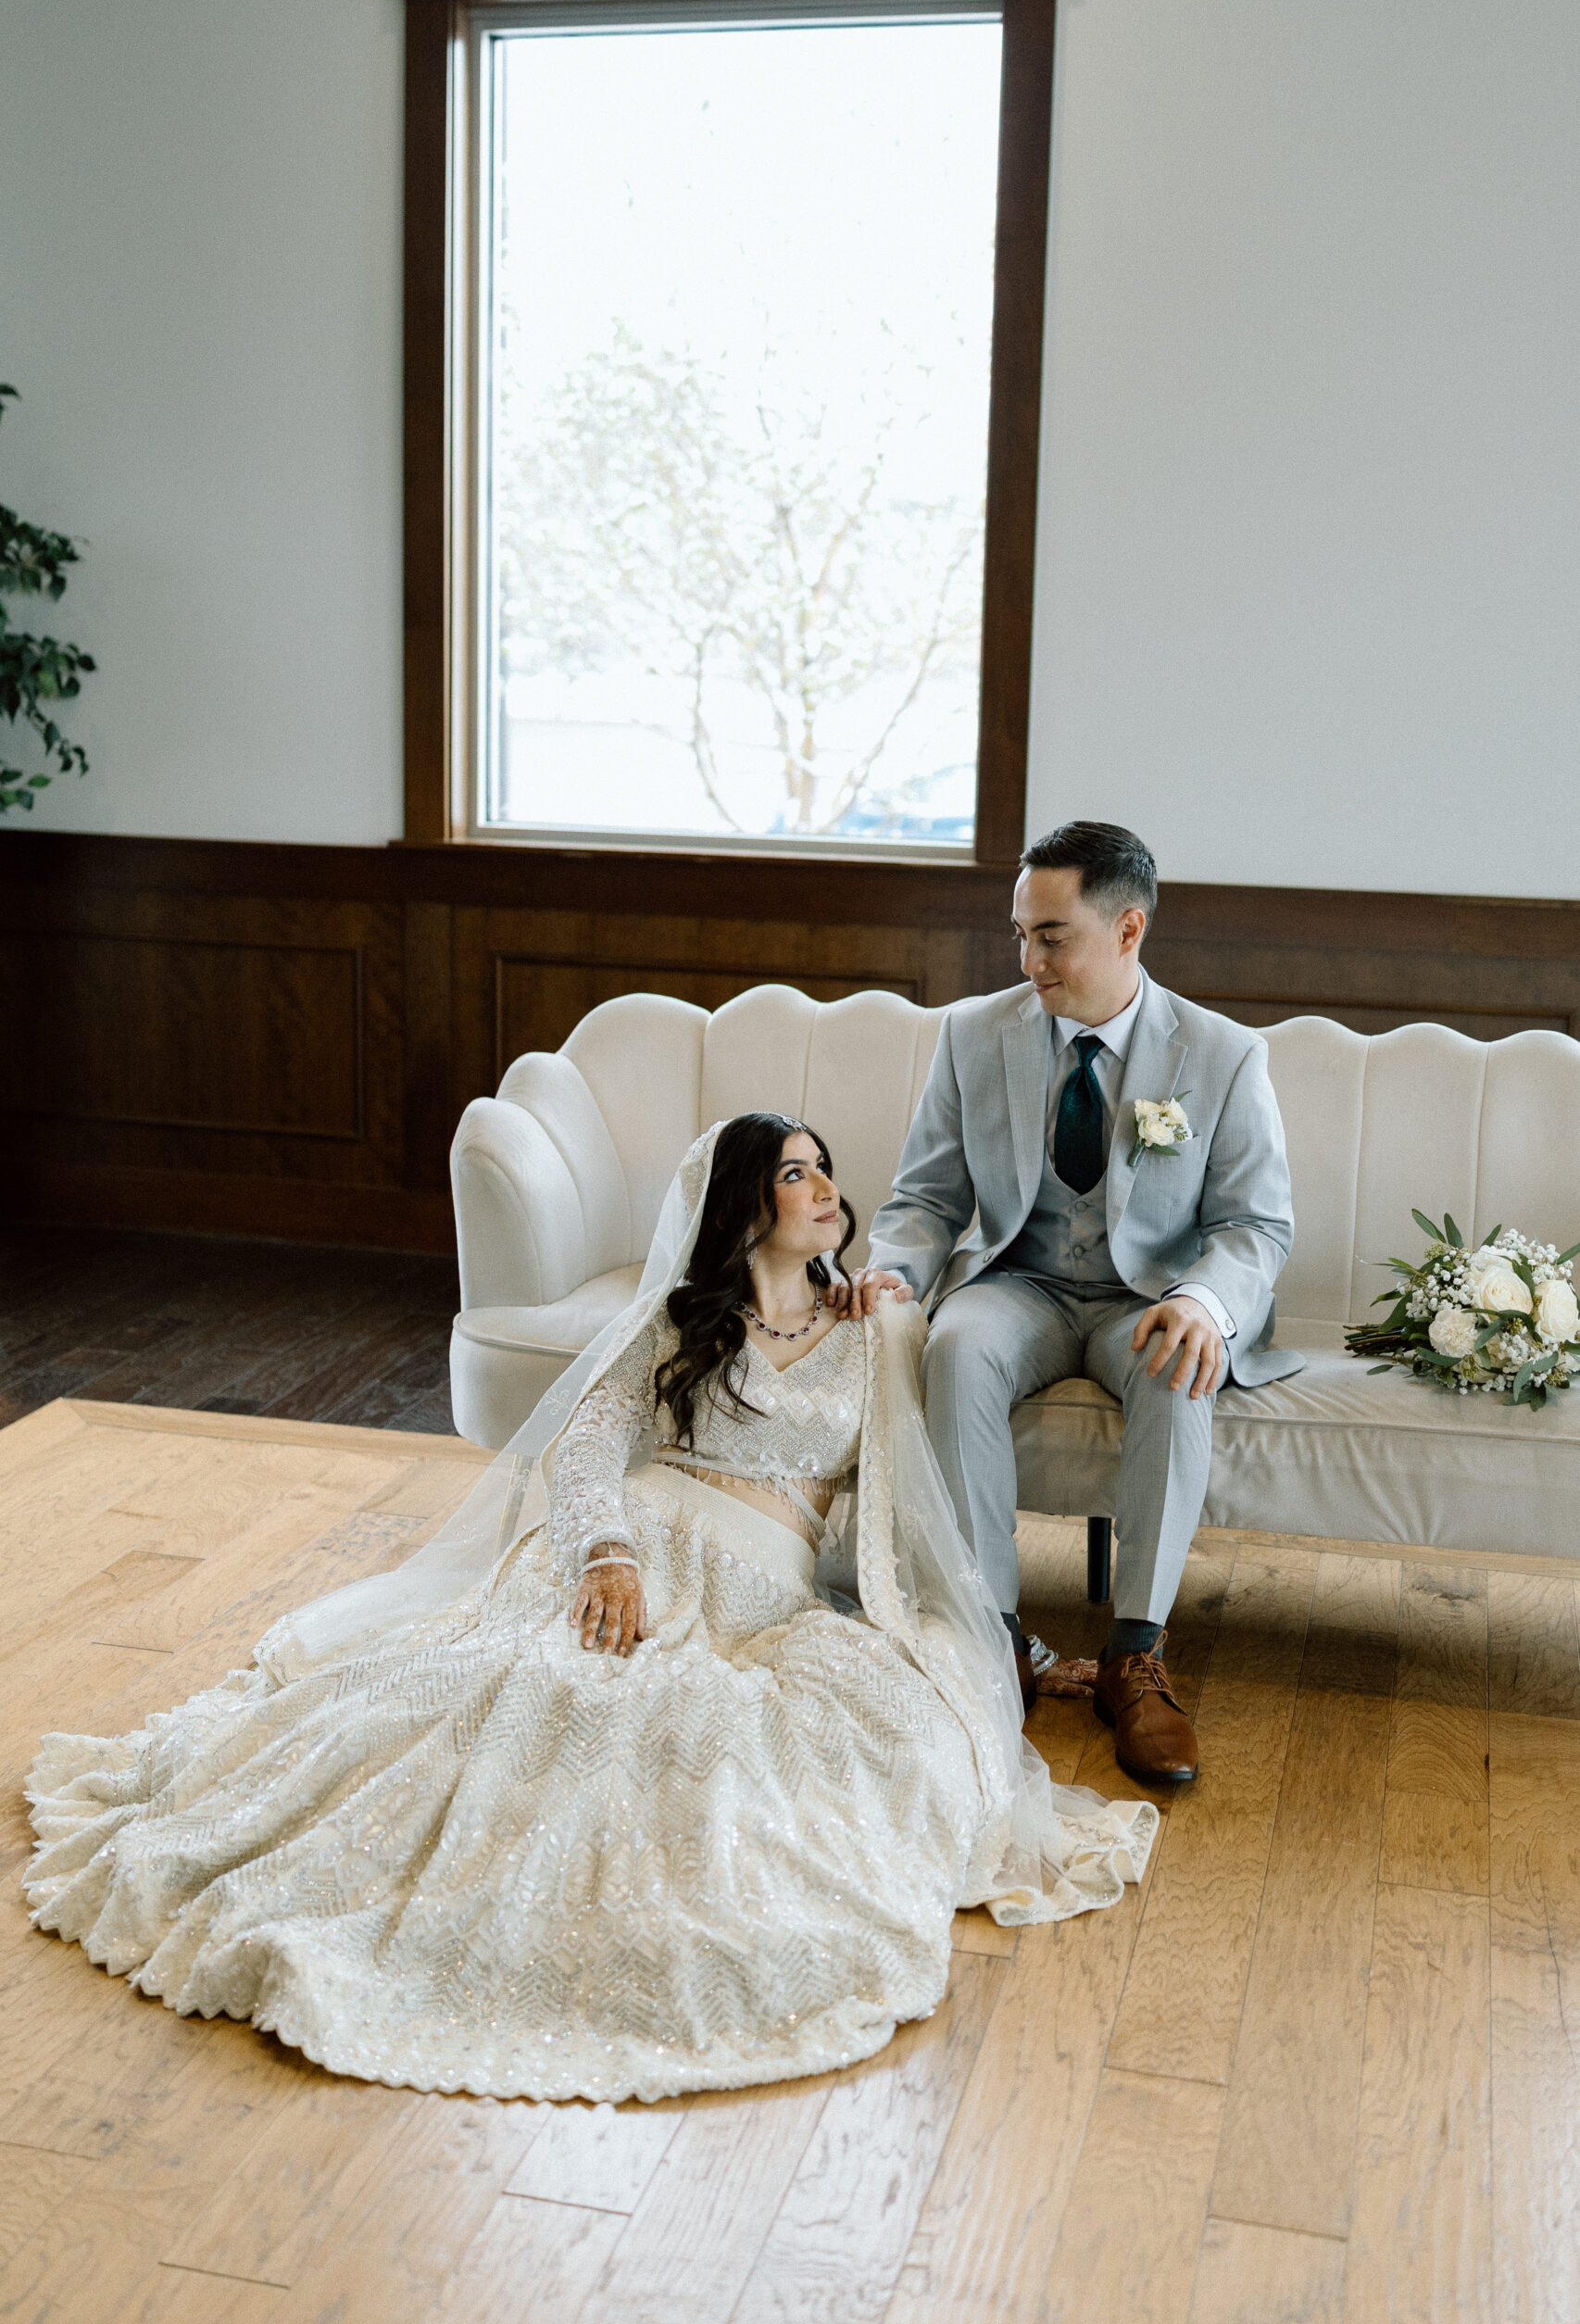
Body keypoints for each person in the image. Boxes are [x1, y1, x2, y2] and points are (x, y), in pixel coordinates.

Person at [25, 1114, 1155, 2107]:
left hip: (762, 1597)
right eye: (794, 1173)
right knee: (526, 1696)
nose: (826, 1188)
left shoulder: (876, 1327)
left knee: (857, 1744)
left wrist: (994, 1642)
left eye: (823, 1170)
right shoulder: (681, 1319)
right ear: (740, 1208)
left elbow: (915, 1516)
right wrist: (603, 1554)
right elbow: (585, 1450)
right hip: (637, 1555)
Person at [846, 823, 1301, 1785]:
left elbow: (1255, 1224)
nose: (1028, 962)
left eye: (1051, 937)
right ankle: (990, 1636)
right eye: (1020, 935)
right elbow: (926, 1198)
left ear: (1128, 929)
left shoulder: (1222, 1055)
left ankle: (1136, 1655)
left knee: (1180, 1363)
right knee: (955, 1347)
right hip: (1022, 1283)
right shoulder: (974, 1035)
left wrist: (1202, 1301)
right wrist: (895, 1271)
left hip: (1148, 1299)